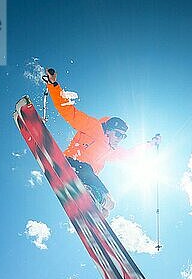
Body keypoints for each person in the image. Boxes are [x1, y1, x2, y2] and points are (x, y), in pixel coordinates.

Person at [44, 68, 160, 216]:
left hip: (87, 175)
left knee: (109, 206)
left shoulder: (111, 151)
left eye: (123, 137)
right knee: (93, 181)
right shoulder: (93, 127)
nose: (119, 139)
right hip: (72, 163)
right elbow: (68, 112)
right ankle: (88, 193)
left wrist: (151, 144)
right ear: (109, 130)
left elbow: (130, 154)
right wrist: (53, 85)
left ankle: (93, 207)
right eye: (118, 134)